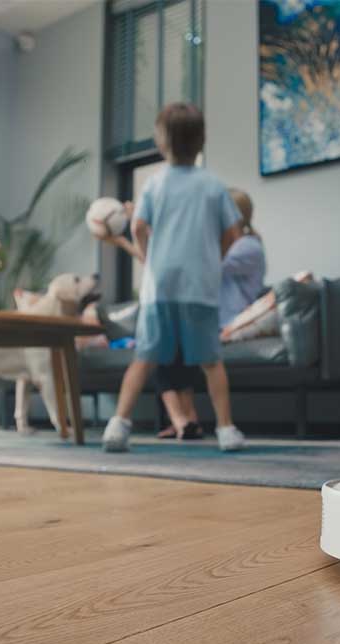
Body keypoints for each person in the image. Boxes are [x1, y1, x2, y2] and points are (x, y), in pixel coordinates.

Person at [98, 102, 246, 453]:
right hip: (200, 289)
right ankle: (226, 430)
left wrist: (149, 258)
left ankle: (118, 427)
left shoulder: (154, 184)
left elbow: (137, 226)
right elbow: (234, 233)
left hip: (159, 289)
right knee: (211, 362)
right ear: (202, 140)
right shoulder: (213, 185)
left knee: (144, 359)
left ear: (161, 141)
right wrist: (215, 258)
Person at [154, 189, 265, 439]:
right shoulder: (227, 244)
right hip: (211, 320)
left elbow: (205, 266)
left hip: (230, 321)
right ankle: (186, 420)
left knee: (169, 348)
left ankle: (183, 420)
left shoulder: (248, 246)